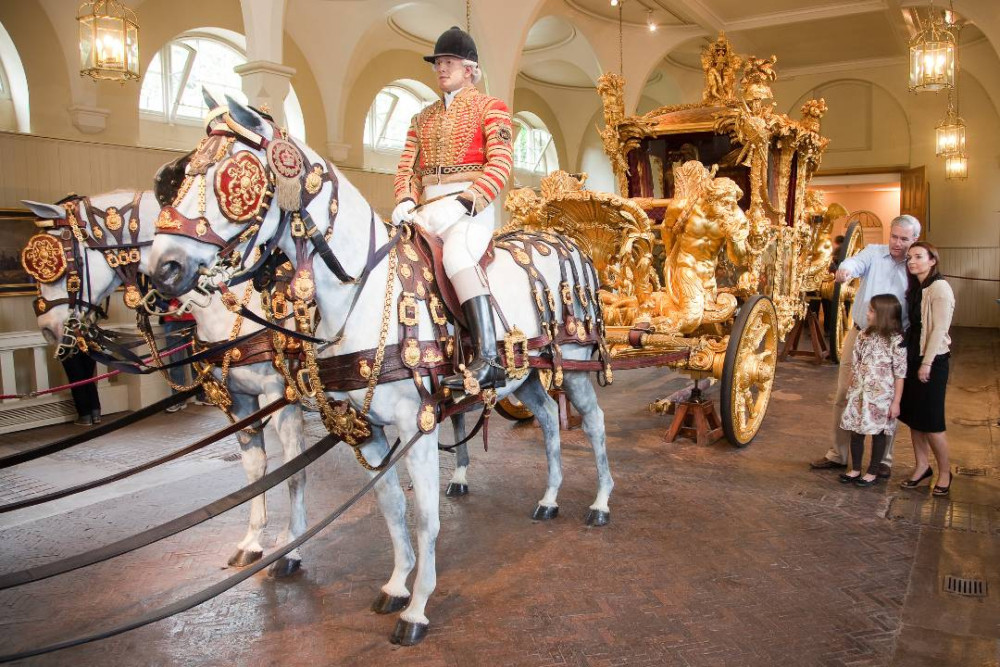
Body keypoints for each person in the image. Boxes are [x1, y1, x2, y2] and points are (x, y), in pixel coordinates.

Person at [392, 26, 514, 392]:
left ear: (470, 69)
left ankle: (489, 358)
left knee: (458, 257)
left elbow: (501, 163)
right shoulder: (421, 118)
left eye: (449, 62)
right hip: (427, 206)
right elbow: (406, 167)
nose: (441, 68)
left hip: (468, 207)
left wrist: (466, 201)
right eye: (438, 63)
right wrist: (404, 199)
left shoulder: (491, 108)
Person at [810, 215, 921, 476]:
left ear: (914, 239)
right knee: (843, 395)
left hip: (894, 340)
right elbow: (855, 262)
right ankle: (838, 454)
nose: (897, 243)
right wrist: (846, 270)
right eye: (894, 236)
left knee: (888, 401)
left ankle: (883, 461)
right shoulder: (874, 253)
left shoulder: (915, 264)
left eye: (904, 239)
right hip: (861, 336)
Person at [898, 242, 955, 495]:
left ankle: (945, 472)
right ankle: (922, 466)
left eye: (919, 257)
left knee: (932, 422)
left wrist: (927, 363)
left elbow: (939, 329)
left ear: (933, 260)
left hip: (932, 360)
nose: (912, 261)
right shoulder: (918, 287)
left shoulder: (939, 287)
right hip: (912, 357)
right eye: (910, 257)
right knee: (915, 419)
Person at [838, 294, 906, 486]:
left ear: (883, 315)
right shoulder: (863, 335)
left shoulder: (896, 341)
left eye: (871, 311)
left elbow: (900, 374)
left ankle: (873, 471)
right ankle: (856, 468)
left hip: (881, 397)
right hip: (859, 392)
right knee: (856, 432)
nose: (867, 314)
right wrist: (848, 390)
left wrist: (896, 402)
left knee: (878, 434)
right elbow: (855, 364)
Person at [160, 298, 196, 413]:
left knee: (198, 360)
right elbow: (153, 296)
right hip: (172, 319)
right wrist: (167, 307)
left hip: (193, 317)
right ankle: (178, 400)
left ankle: (203, 395)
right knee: (176, 362)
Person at [62, 352, 101, 426]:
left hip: (69, 346)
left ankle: (85, 416)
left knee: (76, 381)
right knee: (89, 378)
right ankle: (96, 414)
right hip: (89, 344)